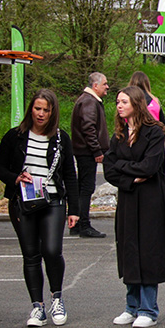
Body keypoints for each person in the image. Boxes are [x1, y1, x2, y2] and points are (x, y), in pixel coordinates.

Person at [0, 89, 80, 327]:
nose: (41, 114)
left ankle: (57, 298)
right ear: (31, 109)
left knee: (52, 250)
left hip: (53, 201)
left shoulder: (61, 138)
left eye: (46, 110)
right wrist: (15, 178)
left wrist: (75, 209)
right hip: (23, 203)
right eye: (37, 108)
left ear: (53, 112)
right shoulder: (15, 136)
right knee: (31, 254)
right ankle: (37, 307)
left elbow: (70, 175)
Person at [103, 85, 165, 327]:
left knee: (149, 249)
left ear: (136, 104)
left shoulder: (154, 132)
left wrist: (122, 166)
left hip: (152, 198)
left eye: (124, 102)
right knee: (129, 247)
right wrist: (130, 177)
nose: (119, 106)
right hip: (129, 196)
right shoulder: (119, 135)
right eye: (118, 102)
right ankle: (131, 306)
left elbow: (150, 167)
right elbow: (109, 168)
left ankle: (148, 309)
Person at [69, 72, 108, 239]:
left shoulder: (86, 100)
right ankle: (84, 225)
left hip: (83, 151)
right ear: (95, 86)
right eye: (105, 84)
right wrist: (96, 150)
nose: (107, 87)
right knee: (86, 187)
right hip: (86, 152)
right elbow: (88, 128)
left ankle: (77, 224)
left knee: (82, 187)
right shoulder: (89, 102)